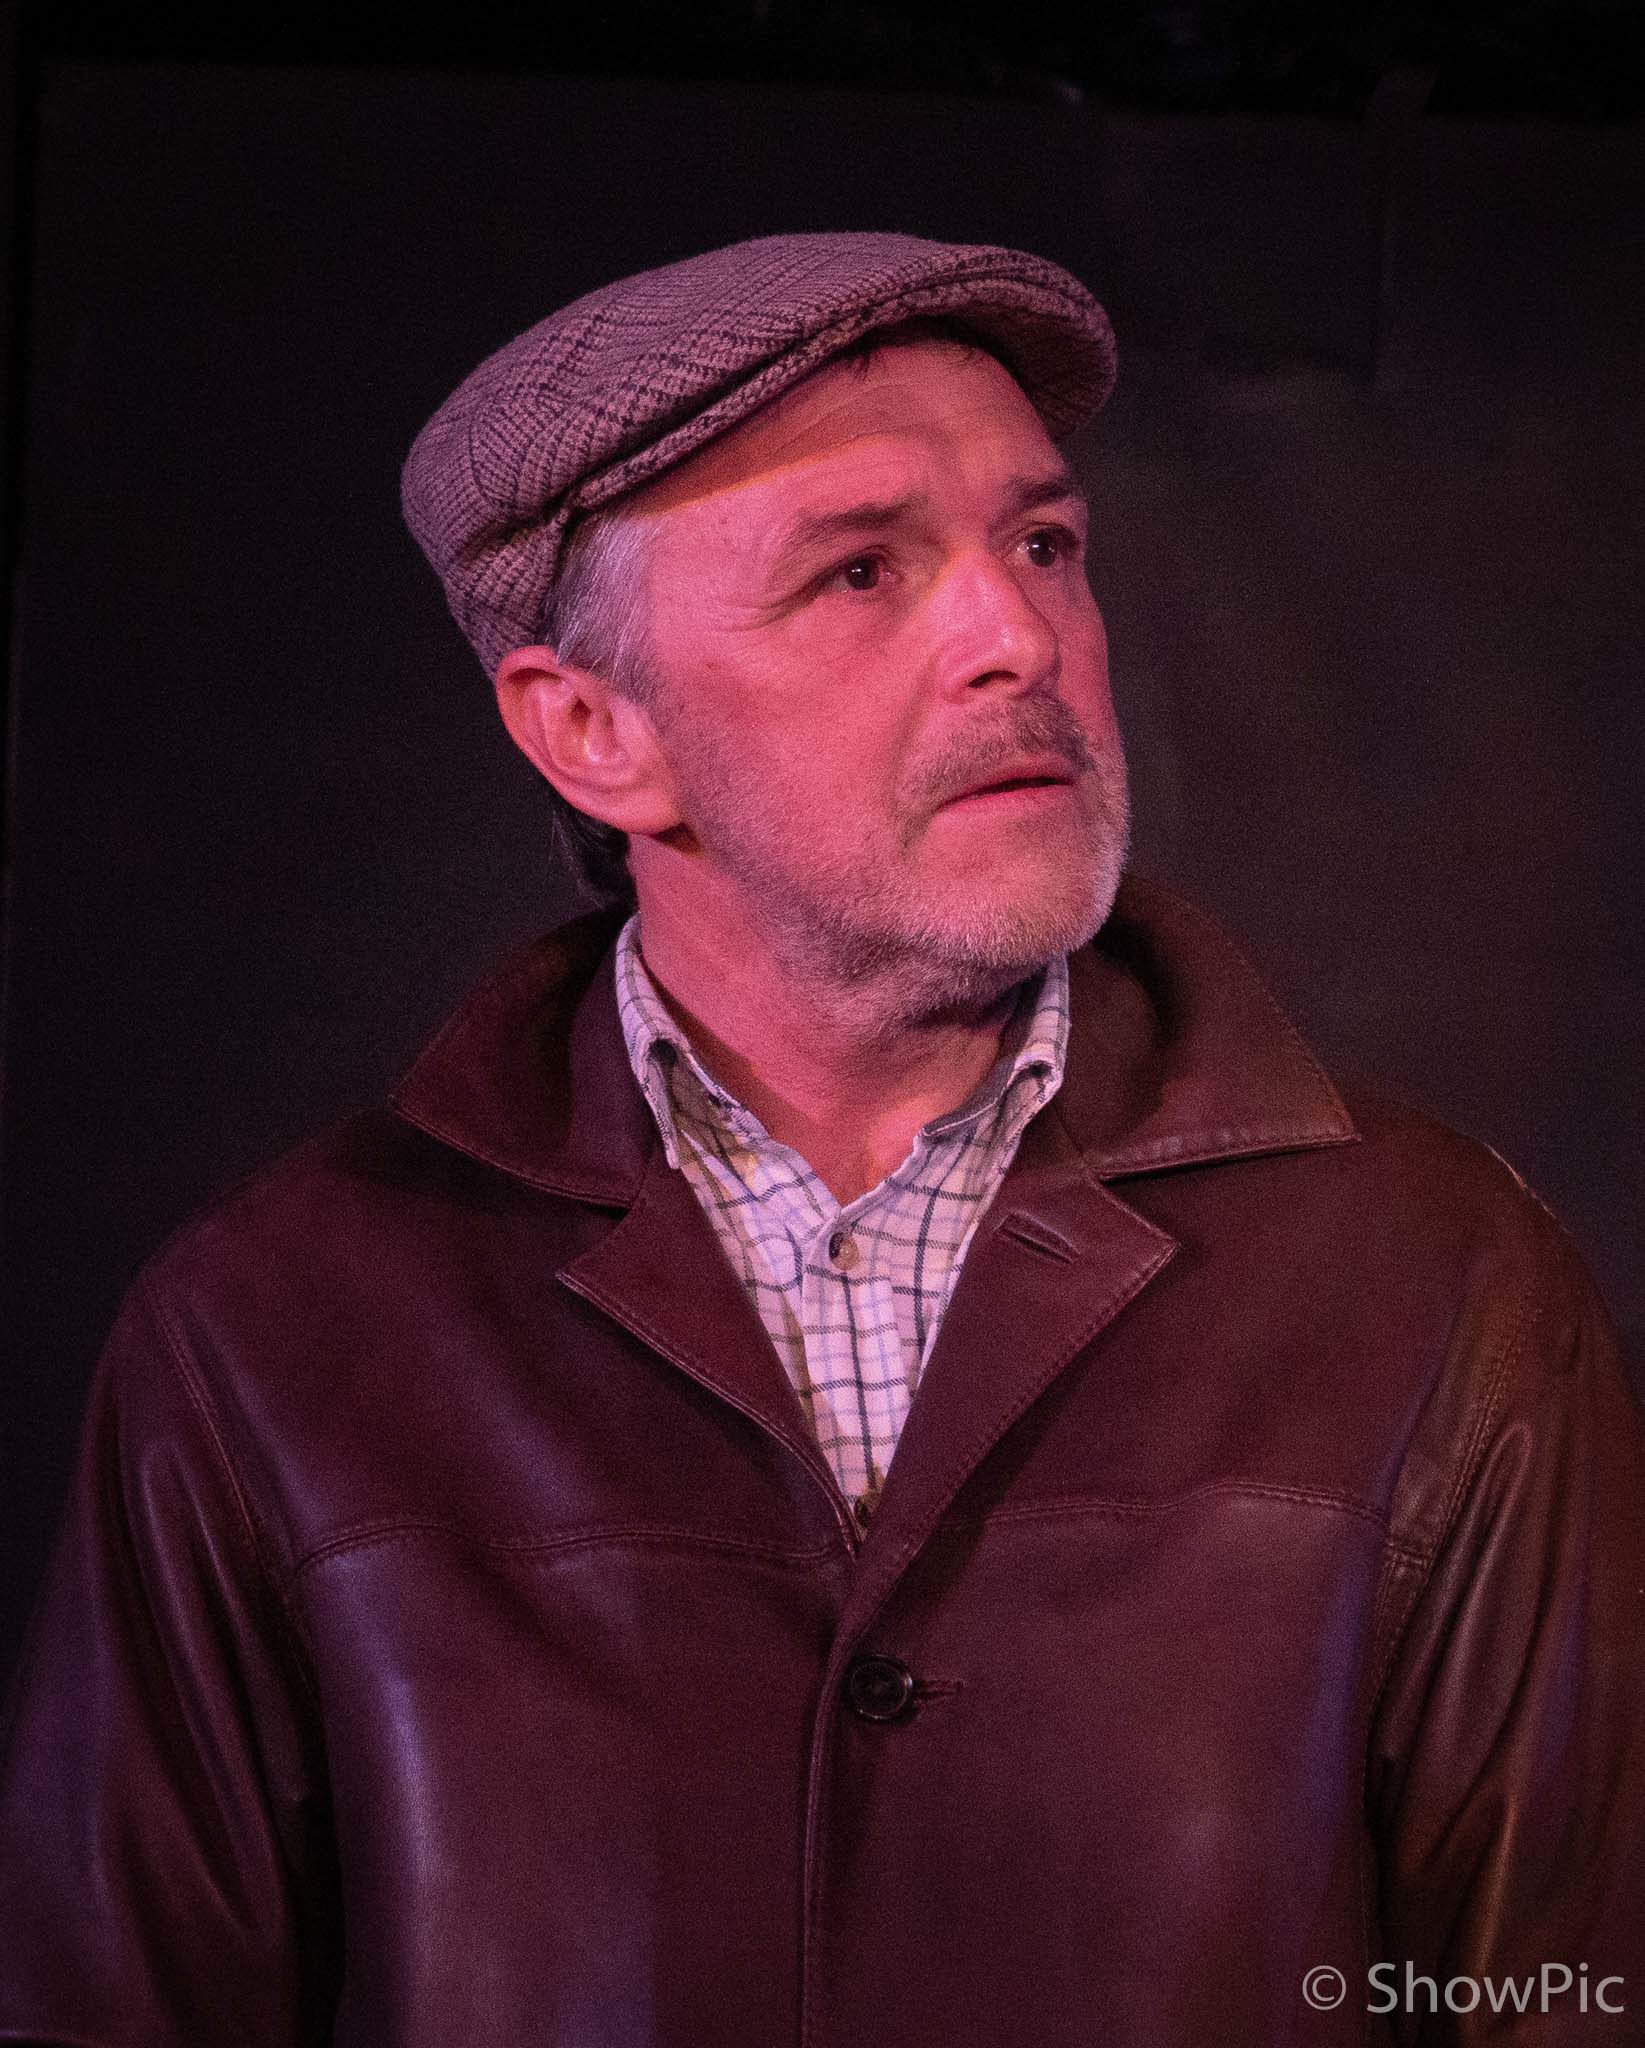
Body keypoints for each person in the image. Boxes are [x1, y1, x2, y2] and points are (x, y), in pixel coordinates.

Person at [1, 231, 1641, 2045]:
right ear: (592, 732)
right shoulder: (270, 1336)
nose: (1019, 639)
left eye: (1043, 546)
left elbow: (1565, 1995)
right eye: (860, 570)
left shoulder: (1431, 1281)